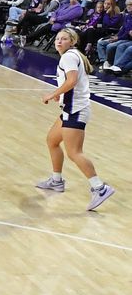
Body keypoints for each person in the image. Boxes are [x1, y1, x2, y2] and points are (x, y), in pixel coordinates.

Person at [34, 27, 115, 210]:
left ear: (72, 41)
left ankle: (99, 187)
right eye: (57, 38)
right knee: (52, 140)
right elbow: (70, 83)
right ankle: (56, 181)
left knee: (74, 152)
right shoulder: (73, 55)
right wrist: (60, 95)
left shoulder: (69, 57)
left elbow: (71, 81)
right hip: (70, 108)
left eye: (64, 39)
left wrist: (51, 94)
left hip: (76, 110)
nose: (59, 41)